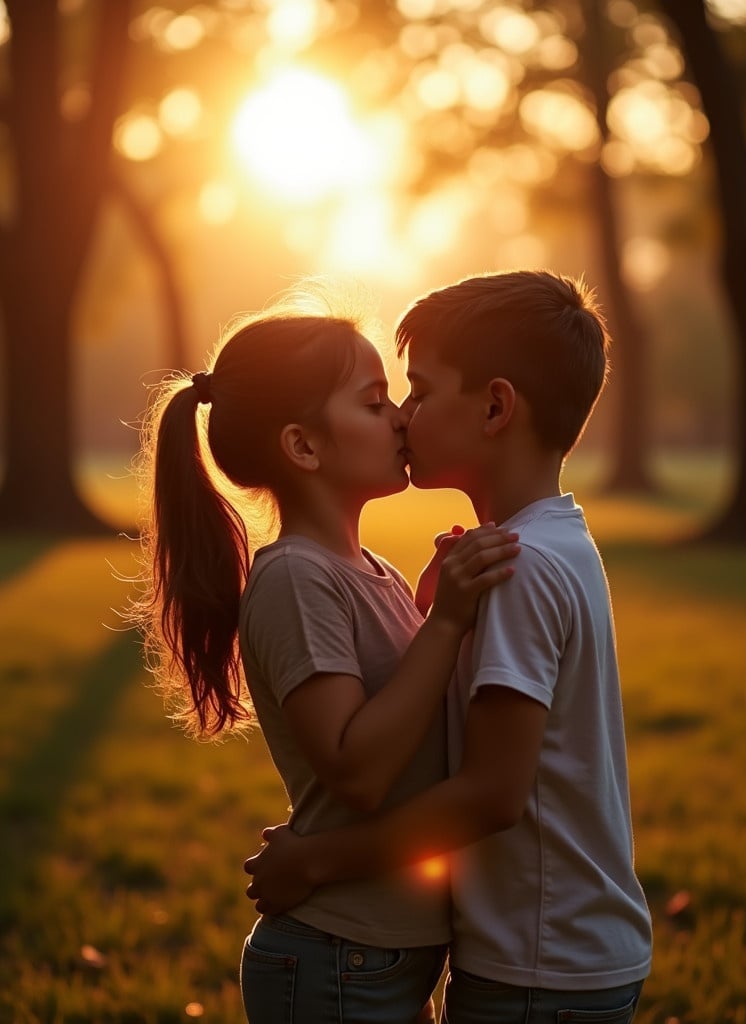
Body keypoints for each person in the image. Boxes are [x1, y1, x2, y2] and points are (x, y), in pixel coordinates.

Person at [244, 270, 654, 1024]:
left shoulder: (519, 568)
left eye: (420, 392)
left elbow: (492, 794)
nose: (403, 415)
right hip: (554, 950)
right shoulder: (543, 544)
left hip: (539, 963)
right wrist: (439, 613)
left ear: (496, 406)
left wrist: (316, 860)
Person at [130, 288, 520, 1024]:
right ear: (304, 446)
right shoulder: (294, 580)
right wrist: (445, 627)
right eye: (374, 403)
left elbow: (405, 719)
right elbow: (359, 770)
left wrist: (435, 611)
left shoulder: (369, 571)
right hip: (340, 960)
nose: (401, 416)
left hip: (382, 956)